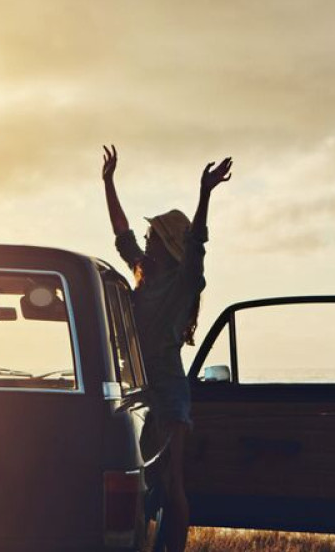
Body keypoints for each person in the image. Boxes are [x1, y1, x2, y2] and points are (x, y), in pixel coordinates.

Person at [102, 145, 231, 552]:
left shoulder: (181, 284)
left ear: (165, 245)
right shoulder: (141, 272)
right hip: (138, 393)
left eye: (152, 236)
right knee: (141, 484)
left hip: (170, 395)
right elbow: (121, 235)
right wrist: (108, 183)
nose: (145, 239)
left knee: (173, 485)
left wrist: (205, 193)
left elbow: (197, 247)